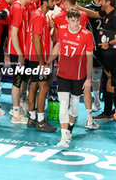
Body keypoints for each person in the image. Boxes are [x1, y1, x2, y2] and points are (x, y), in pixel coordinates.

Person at [46, 8, 94, 149]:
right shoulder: (61, 29)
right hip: (63, 74)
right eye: (72, 20)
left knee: (74, 107)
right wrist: (47, 62)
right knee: (63, 104)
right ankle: (63, 137)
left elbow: (89, 57)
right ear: (67, 20)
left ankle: (69, 131)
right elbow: (58, 47)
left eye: (77, 20)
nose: (75, 23)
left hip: (79, 76)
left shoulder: (87, 35)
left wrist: (88, 78)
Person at [53, 0, 100, 130]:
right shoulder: (83, 15)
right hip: (78, 60)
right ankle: (88, 120)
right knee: (78, 94)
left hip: (75, 62)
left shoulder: (60, 17)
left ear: (65, 3)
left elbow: (55, 39)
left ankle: (71, 123)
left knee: (72, 99)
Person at [78, 0, 116, 122]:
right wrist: (78, 8)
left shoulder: (115, 16)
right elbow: (93, 14)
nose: (100, 3)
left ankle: (112, 112)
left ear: (108, 2)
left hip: (112, 55)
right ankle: (112, 111)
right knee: (107, 82)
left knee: (110, 83)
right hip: (107, 55)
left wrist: (109, 43)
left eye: (102, 1)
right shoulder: (106, 13)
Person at [26, 0, 57, 132]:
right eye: (52, 1)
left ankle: (32, 117)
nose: (54, 3)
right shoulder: (39, 16)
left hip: (34, 57)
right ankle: (40, 121)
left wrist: (50, 28)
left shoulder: (40, 15)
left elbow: (42, 38)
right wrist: (41, 61)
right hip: (37, 58)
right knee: (44, 87)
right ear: (44, 2)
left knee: (34, 85)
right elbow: (36, 39)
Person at [7, 0, 36, 124]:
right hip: (17, 52)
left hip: (23, 52)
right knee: (17, 81)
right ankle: (15, 113)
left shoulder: (22, 8)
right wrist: (19, 54)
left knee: (22, 80)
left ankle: (17, 109)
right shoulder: (18, 8)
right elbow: (13, 33)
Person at [84, 0, 108, 112]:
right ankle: (97, 100)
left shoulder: (107, 7)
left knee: (110, 75)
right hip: (94, 46)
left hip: (107, 46)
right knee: (94, 76)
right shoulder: (88, 8)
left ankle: (114, 103)